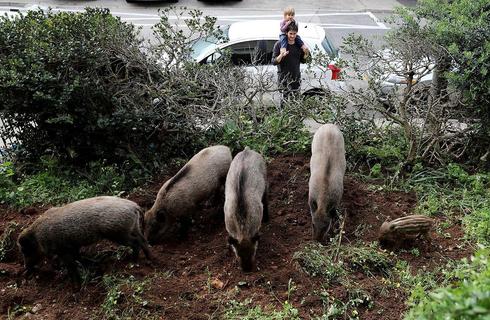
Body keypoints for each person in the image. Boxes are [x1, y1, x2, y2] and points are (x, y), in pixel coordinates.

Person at [272, 21, 308, 107]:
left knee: (295, 103)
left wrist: (306, 54)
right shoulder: (279, 44)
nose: (292, 36)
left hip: (296, 78)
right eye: (290, 33)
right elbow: (273, 62)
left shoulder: (298, 45)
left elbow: (303, 61)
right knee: (284, 103)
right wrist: (281, 55)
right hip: (284, 79)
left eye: (294, 34)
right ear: (286, 33)